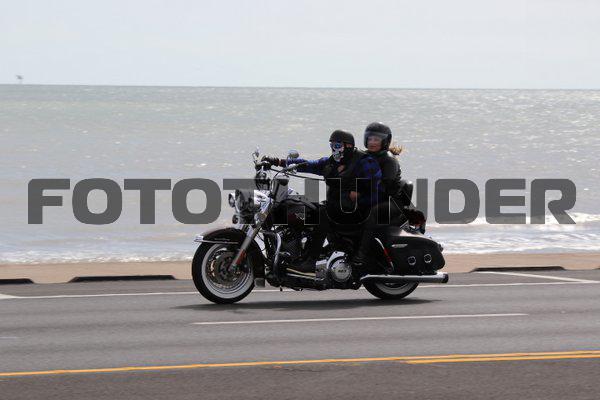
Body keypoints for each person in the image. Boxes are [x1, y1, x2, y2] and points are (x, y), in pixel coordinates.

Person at [262, 130, 383, 275]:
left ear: (349, 146)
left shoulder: (364, 161)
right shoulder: (331, 162)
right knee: (306, 208)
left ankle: (311, 261)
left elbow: (375, 185)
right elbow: (308, 165)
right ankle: (297, 254)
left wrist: (357, 192)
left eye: (337, 145)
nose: (334, 149)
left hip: (359, 211)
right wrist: (278, 161)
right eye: (332, 145)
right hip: (338, 207)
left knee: (323, 214)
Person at [351, 122, 408, 268]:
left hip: (392, 202)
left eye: (376, 139)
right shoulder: (364, 156)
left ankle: (361, 255)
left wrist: (360, 193)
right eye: (370, 138)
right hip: (373, 198)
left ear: (385, 141)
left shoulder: (389, 160)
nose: (372, 142)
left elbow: (383, 187)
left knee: (374, 214)